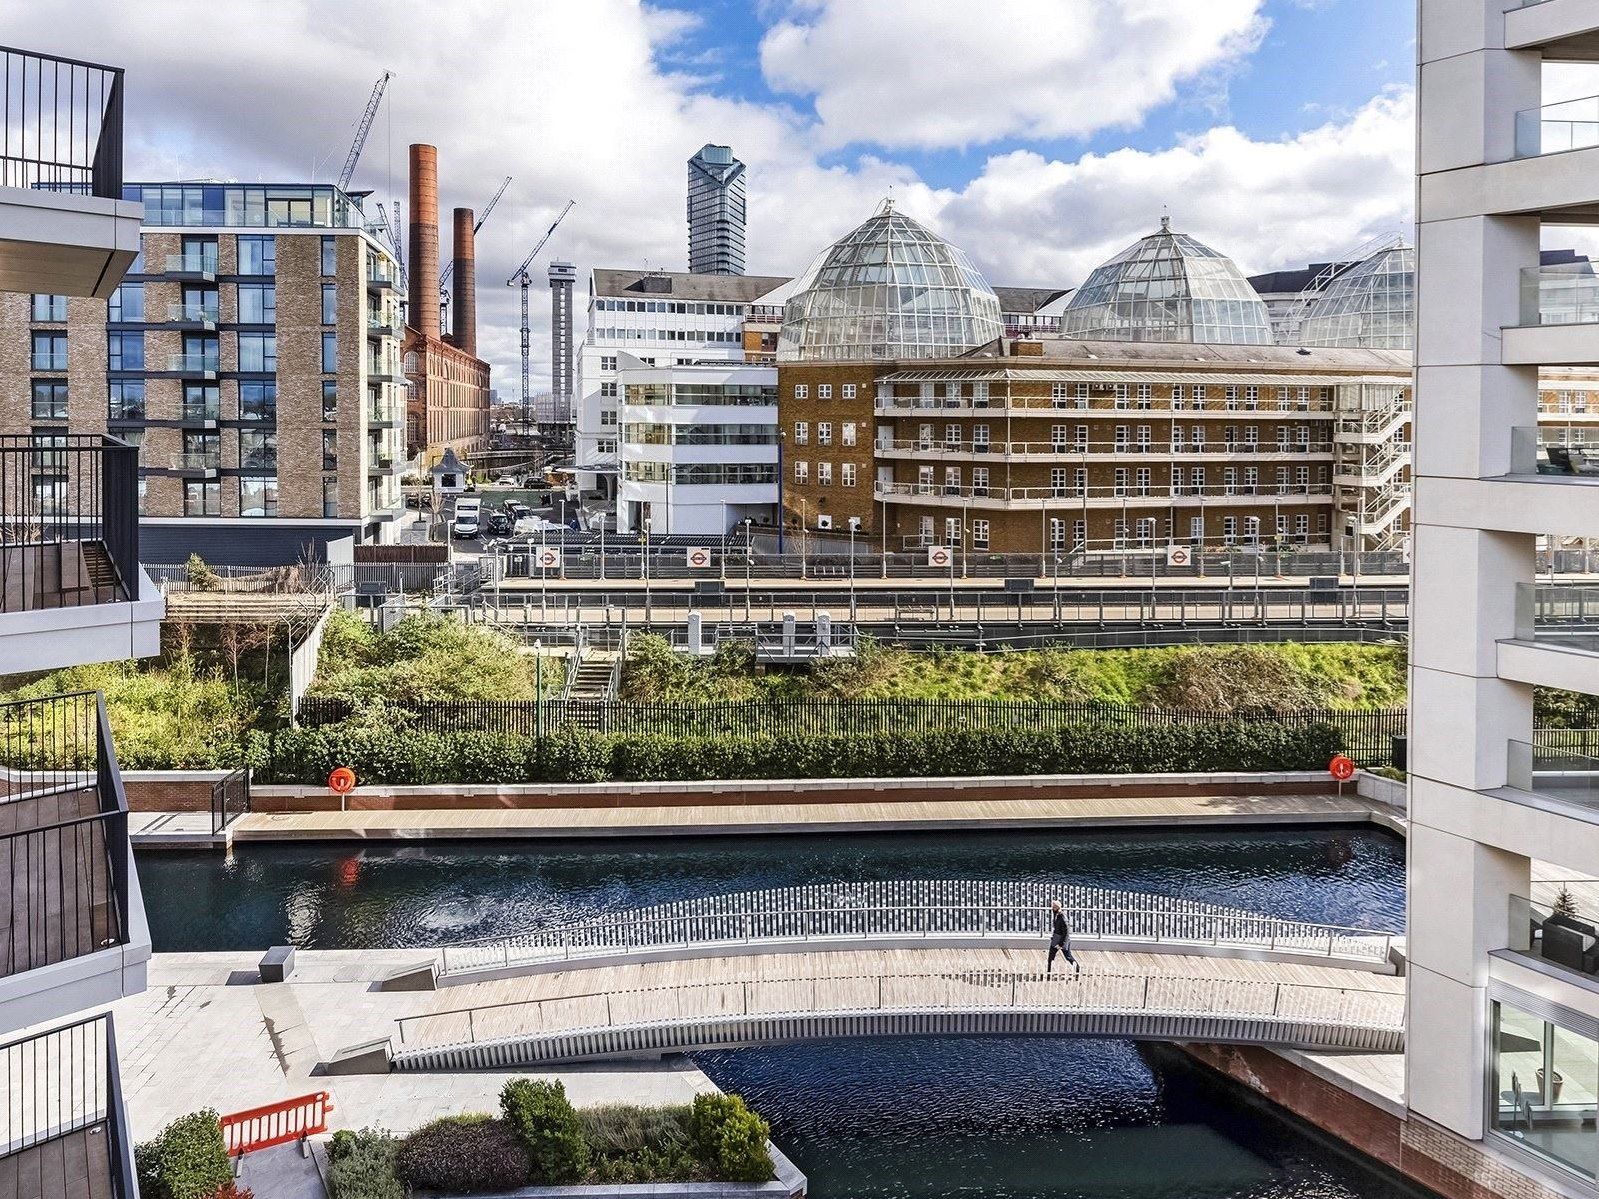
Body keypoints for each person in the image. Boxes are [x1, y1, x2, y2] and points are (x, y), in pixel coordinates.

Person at [1047, 900, 1080, 977]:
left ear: (1057, 907)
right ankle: (1049, 973)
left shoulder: (1062, 917)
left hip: (1061, 940)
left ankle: (1077, 968)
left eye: (1053, 907)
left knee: (1068, 956)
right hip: (1056, 938)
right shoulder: (1057, 915)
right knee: (1051, 956)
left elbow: (1066, 932)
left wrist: (1061, 943)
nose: (1052, 908)